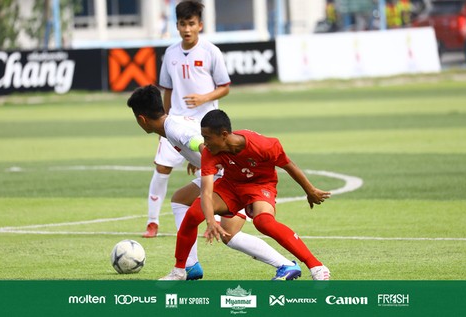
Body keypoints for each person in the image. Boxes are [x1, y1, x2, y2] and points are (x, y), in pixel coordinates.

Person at [128, 85, 304, 280]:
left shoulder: (173, 128)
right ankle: (190, 265)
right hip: (224, 172)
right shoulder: (174, 122)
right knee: (180, 200)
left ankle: (285, 265)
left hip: (229, 177)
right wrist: (195, 161)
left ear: (141, 119)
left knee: (229, 234)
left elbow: (200, 143)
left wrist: (205, 160)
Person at [160, 109, 332, 281]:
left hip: (260, 185)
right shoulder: (210, 152)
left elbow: (288, 165)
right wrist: (210, 220)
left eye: (208, 137)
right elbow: (206, 190)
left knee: (264, 222)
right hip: (230, 185)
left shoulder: (264, 145)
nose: (205, 143)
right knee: (193, 213)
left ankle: (316, 266)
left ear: (224, 135)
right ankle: (179, 271)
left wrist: (310, 190)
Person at [143, 1, 230, 239]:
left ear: (200, 25)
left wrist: (204, 97)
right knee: (162, 167)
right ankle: (152, 222)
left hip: (206, 124)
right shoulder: (170, 53)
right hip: (177, 121)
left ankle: (218, 218)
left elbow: (224, 87)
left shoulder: (211, 51)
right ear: (177, 25)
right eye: (182, 24)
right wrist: (164, 123)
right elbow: (168, 91)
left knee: (214, 169)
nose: (187, 29)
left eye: (191, 23)